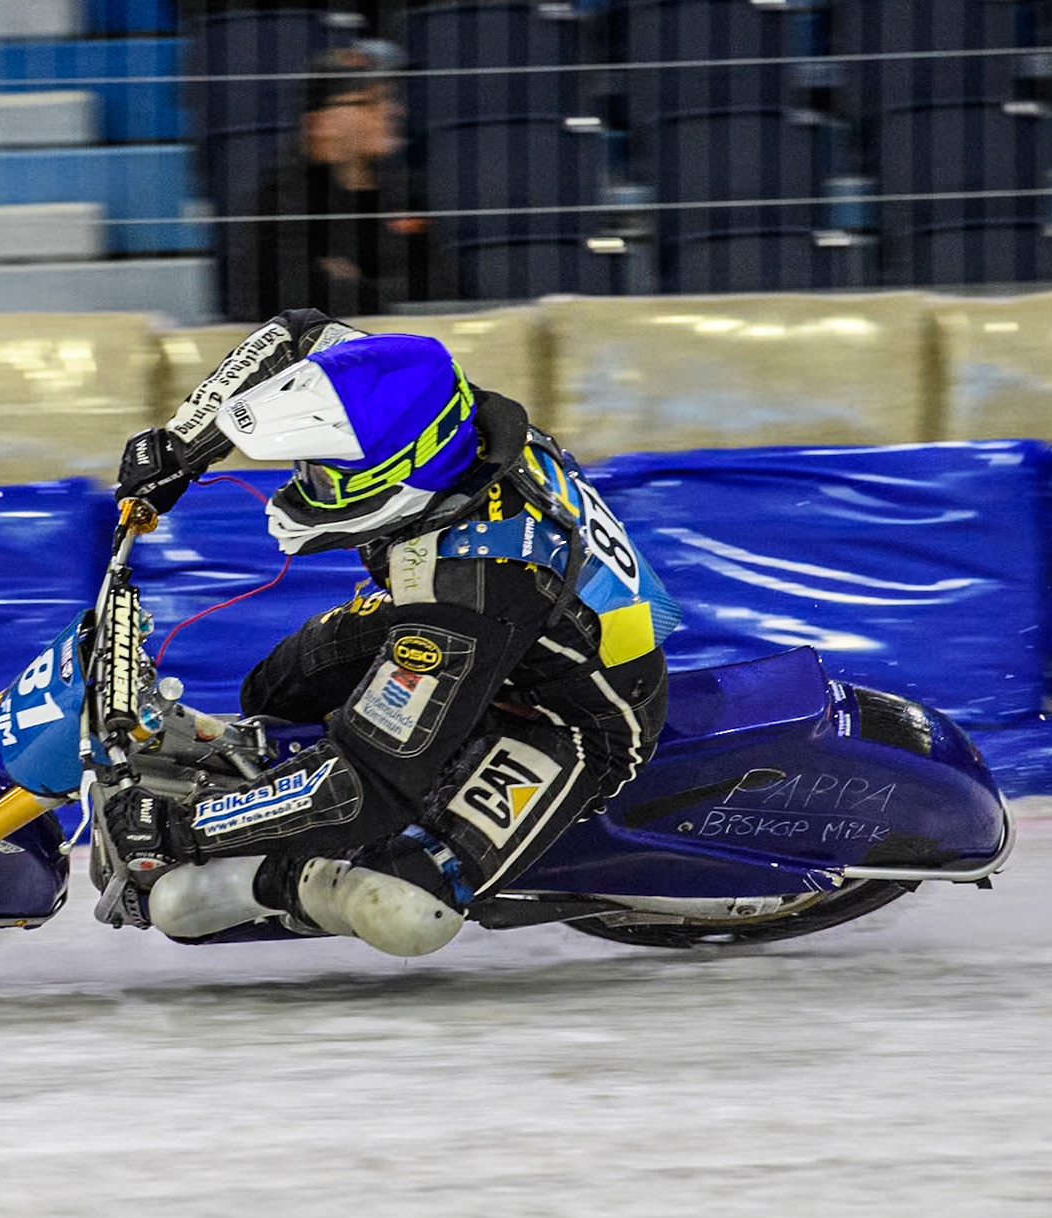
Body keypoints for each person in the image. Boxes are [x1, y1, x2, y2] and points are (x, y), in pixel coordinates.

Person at [102, 310, 677, 957]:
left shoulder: (471, 588)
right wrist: (183, 447)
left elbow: (366, 785)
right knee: (276, 685)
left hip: (561, 713)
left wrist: (183, 829)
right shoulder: (432, 409)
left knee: (403, 904)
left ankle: (290, 873)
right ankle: (281, 796)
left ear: (397, 477)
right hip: (509, 628)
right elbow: (299, 335)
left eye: (319, 474)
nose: (299, 483)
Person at [223, 43, 455, 320]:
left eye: (390, 98)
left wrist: (355, 284)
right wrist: (389, 291)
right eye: (368, 102)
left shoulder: (402, 192)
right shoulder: (279, 201)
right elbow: (302, 307)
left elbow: (445, 287)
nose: (393, 110)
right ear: (320, 123)